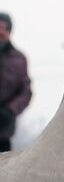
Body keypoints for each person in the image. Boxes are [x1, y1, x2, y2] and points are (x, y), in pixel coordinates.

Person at [0, 11, 32, 153]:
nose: (1, 32)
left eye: (5, 28)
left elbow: (25, 92)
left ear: (9, 31)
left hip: (3, 134)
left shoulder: (18, 59)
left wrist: (9, 111)